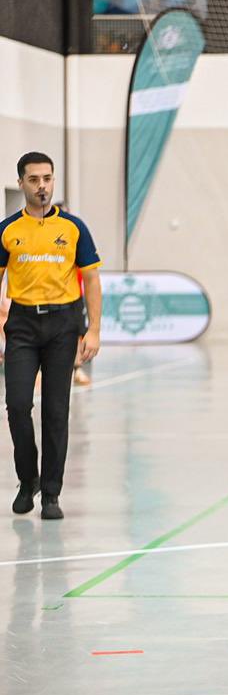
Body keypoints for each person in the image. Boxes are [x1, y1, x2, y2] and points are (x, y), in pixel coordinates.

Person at [1, 152, 102, 519]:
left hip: (63, 324)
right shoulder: (7, 230)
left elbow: (91, 278)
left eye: (47, 179)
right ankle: (27, 481)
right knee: (16, 406)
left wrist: (93, 330)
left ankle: (51, 495)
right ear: (22, 183)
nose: (41, 186)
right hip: (23, 325)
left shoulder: (74, 228)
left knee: (57, 411)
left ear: (53, 181)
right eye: (34, 180)